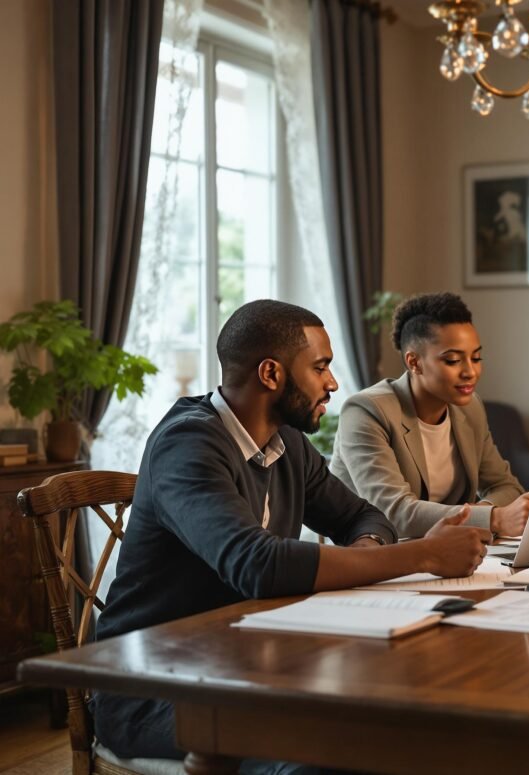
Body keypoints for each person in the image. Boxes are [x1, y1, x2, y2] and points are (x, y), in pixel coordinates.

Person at [93, 300, 491, 769]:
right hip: (152, 687)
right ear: (270, 374)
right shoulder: (188, 446)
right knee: (327, 748)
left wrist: (368, 553)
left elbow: (364, 518)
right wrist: (422, 555)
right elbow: (256, 565)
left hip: (246, 666)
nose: (333, 383)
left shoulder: (288, 443)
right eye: (320, 367)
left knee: (399, 721)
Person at [331, 292, 529, 539]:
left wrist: (478, 514)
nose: (470, 372)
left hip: (449, 549)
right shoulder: (366, 411)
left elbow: (505, 486)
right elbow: (394, 512)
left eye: (476, 357)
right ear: (414, 363)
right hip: (372, 552)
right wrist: (493, 518)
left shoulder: (469, 408)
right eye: (452, 360)